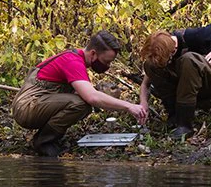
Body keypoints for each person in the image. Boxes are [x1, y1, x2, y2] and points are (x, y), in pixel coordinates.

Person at [12, 30, 147, 157]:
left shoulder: (76, 59)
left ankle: (46, 138)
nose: (107, 66)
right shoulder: (73, 62)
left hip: (36, 103)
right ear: (93, 54)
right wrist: (129, 106)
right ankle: (44, 142)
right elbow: (92, 97)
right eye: (106, 61)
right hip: (26, 108)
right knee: (81, 104)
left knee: (80, 101)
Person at [139, 16, 211, 139]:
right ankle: (174, 115)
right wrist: (143, 103)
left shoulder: (196, 36)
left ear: (173, 50)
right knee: (150, 65)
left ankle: (185, 124)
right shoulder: (160, 54)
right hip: (192, 85)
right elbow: (145, 84)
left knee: (188, 60)